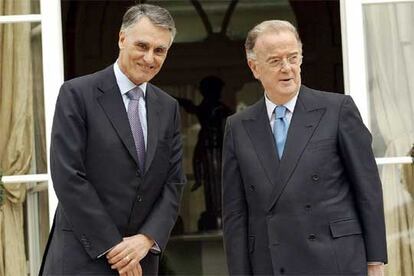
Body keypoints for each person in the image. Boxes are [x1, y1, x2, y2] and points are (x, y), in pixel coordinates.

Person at [222, 20, 387, 276]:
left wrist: (375, 261)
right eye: (275, 61)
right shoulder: (238, 126)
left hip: (335, 260)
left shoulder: (338, 109)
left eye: (293, 58)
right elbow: (235, 212)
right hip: (271, 264)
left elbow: (367, 188)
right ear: (254, 67)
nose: (287, 68)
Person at [40, 4, 186, 276]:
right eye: (142, 46)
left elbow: (174, 182)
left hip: (142, 260)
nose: (149, 58)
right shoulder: (77, 94)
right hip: (82, 259)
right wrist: (116, 249)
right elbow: (68, 176)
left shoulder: (167, 108)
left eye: (159, 50)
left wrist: (146, 239)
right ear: (121, 39)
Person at [177, 76, 233, 231]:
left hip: (216, 149)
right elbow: (193, 108)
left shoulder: (219, 110)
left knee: (216, 181)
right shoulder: (210, 107)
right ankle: (214, 211)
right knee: (210, 181)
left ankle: (218, 211)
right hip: (208, 148)